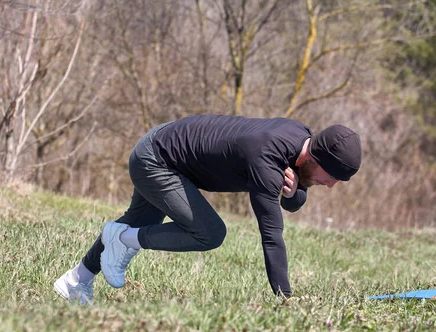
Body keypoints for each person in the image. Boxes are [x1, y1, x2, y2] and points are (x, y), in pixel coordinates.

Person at [54, 114, 362, 303]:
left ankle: (75, 282)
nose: (332, 185)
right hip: (156, 160)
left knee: (136, 220)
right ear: (313, 159)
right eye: (332, 177)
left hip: (165, 149)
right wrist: (285, 300)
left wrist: (294, 190)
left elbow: (295, 200)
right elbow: (272, 236)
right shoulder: (266, 159)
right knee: (210, 233)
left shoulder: (299, 139)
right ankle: (122, 240)